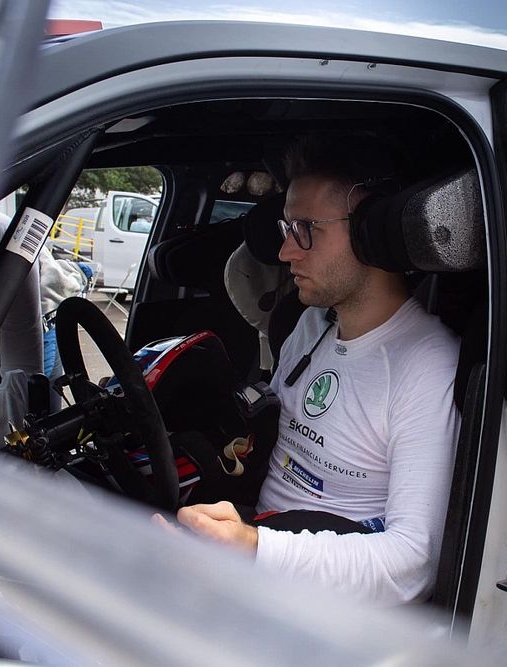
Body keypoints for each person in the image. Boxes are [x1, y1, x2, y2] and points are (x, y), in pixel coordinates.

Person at [166, 136, 461, 605]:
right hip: (259, 544)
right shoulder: (310, 324)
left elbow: (412, 563)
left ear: (369, 232)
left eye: (306, 229)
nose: (285, 252)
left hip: (321, 601)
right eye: (287, 227)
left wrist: (254, 549)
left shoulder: (425, 365)